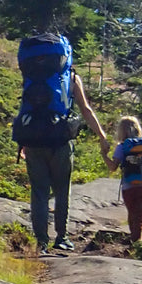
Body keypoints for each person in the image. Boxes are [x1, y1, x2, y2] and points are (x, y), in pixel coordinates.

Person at [23, 69, 108, 253]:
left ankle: (41, 242)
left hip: (33, 140)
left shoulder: (32, 73)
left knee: (39, 193)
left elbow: (26, 107)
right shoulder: (71, 77)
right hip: (61, 140)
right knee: (62, 190)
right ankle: (61, 237)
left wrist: (22, 140)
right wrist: (101, 135)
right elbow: (85, 109)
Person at [105, 115, 142, 241]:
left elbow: (113, 167)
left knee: (132, 214)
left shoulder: (122, 147)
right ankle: (137, 242)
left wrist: (104, 155)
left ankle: (134, 240)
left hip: (128, 187)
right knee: (140, 216)